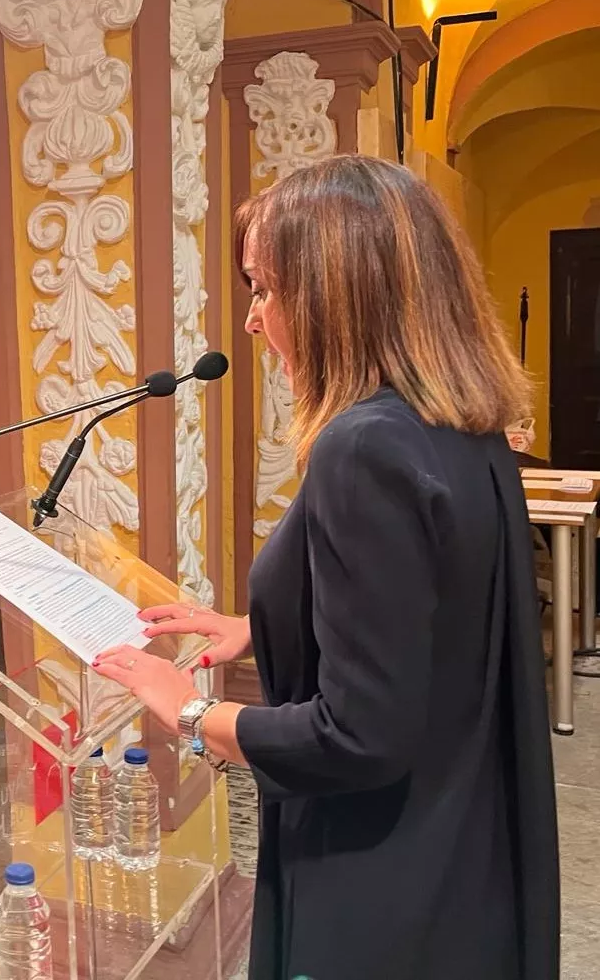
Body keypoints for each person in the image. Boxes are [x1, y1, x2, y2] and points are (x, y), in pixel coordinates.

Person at [91, 155, 558, 980]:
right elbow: (437, 617)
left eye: (263, 288)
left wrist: (190, 714)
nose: (252, 320)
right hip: (462, 847)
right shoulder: (462, 425)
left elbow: (359, 735)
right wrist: (262, 623)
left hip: (378, 878)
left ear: (338, 293)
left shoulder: (360, 447)